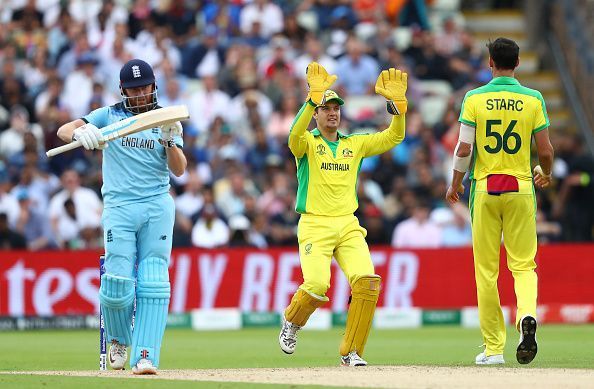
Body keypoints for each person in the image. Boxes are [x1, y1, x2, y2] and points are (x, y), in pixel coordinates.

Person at [56, 58, 187, 374]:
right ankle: (118, 339)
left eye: (144, 87)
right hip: (119, 207)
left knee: (154, 281)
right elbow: (62, 130)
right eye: (133, 89)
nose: (140, 94)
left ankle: (145, 355)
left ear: (154, 86)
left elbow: (180, 169)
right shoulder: (108, 114)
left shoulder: (168, 118)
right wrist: (81, 131)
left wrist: (170, 140)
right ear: (123, 91)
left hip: (156, 204)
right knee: (117, 284)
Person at [278, 62, 407, 366]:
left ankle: (351, 352)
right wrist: (311, 100)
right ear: (317, 114)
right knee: (317, 285)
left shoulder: (355, 143)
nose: (333, 112)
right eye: (326, 108)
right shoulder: (308, 143)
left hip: (348, 224)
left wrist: (398, 109)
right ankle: (292, 322)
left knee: (367, 282)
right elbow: (292, 138)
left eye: (336, 108)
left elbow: (393, 137)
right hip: (315, 225)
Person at [445, 38, 554, 366]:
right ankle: (527, 317)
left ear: (489, 62)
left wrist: (455, 183)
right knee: (523, 265)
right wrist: (544, 173)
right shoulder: (533, 98)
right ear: (518, 63)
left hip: (485, 188)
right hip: (521, 187)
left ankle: (493, 349)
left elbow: (464, 148)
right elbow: (546, 151)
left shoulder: (474, 98)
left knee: (487, 272)